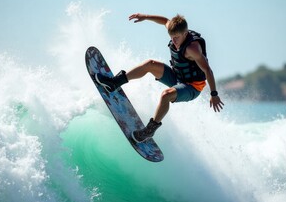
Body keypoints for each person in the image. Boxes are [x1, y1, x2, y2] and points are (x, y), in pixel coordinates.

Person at [95, 13, 224, 143]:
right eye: (171, 37)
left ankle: (149, 131)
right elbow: (165, 21)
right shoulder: (175, 29)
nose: (174, 41)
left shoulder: (193, 48)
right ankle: (115, 83)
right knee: (149, 64)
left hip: (192, 87)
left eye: (177, 38)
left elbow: (207, 70)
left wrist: (214, 94)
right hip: (176, 76)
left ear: (185, 34)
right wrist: (145, 17)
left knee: (165, 95)